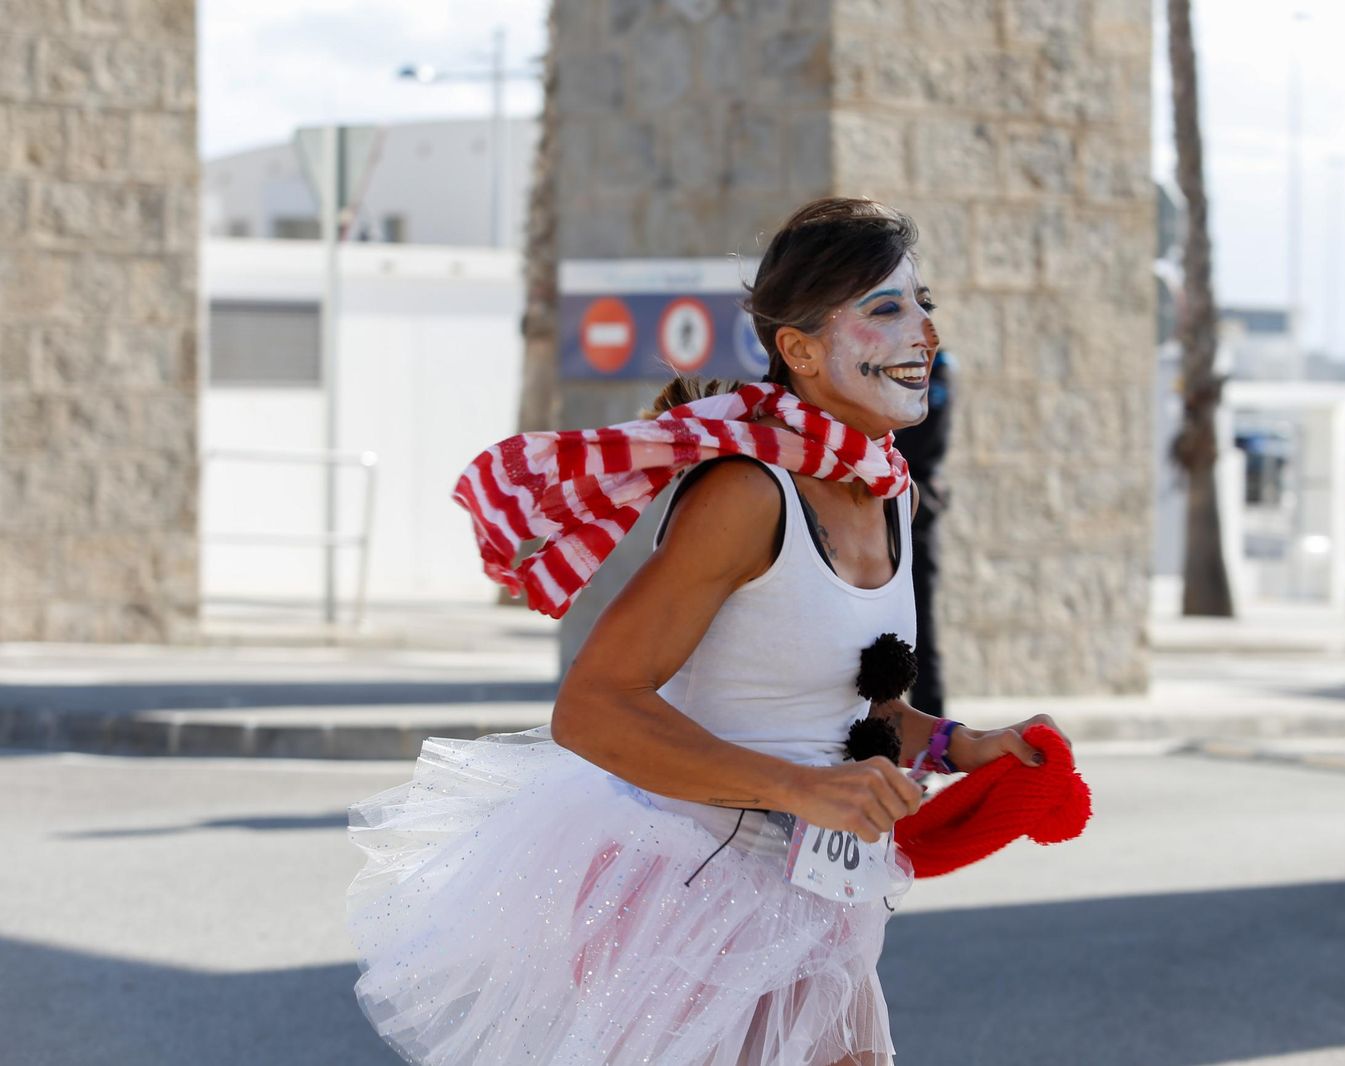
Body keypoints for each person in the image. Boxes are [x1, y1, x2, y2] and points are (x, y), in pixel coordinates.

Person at [346, 198, 1067, 1066]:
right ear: (799, 350)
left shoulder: (890, 491)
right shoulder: (747, 495)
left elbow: (843, 706)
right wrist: (803, 791)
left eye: (925, 304)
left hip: (816, 905)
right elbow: (594, 708)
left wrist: (962, 744)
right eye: (887, 309)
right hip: (693, 904)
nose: (925, 333)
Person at [889, 348, 954, 717]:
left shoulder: (938, 368)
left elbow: (925, 437)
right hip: (885, 499)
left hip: (914, 512)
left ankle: (932, 736)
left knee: (920, 633)